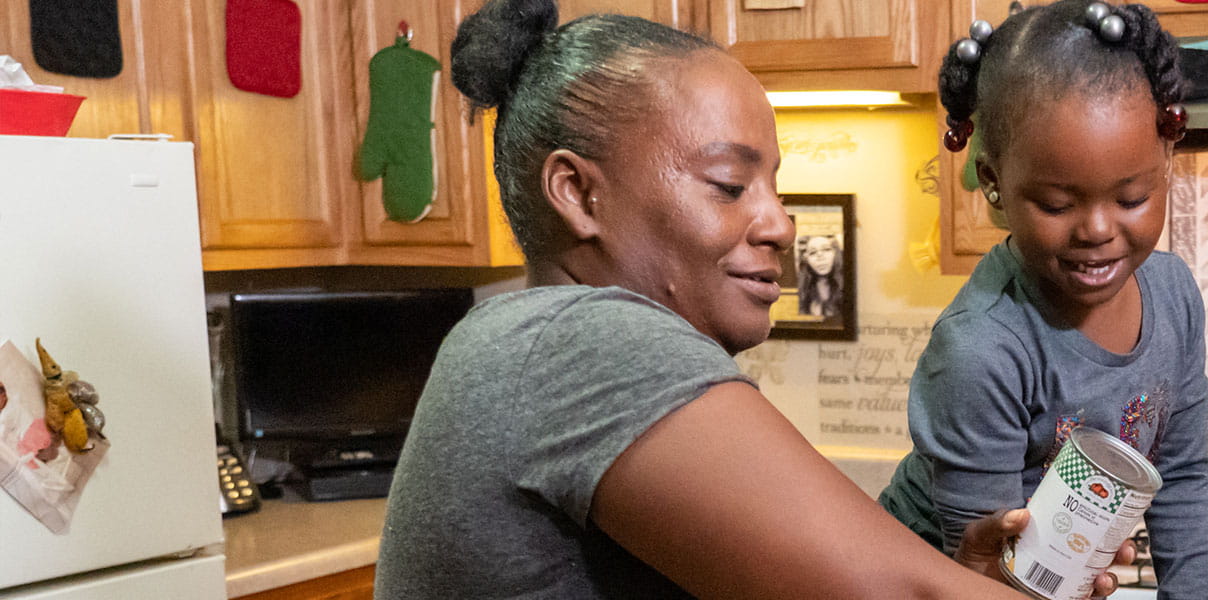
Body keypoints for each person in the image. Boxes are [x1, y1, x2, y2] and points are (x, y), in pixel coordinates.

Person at [372, 1, 1132, 598]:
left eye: (774, 186)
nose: (778, 223)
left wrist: (962, 579)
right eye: (729, 186)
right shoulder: (583, 342)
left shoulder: (514, 343)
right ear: (577, 193)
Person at [877, 2, 1208, 598]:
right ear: (992, 182)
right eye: (1058, 205)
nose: (1096, 229)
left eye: (1132, 197)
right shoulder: (981, 350)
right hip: (923, 579)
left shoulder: (1174, 296)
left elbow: (1185, 476)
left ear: (1166, 162)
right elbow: (983, 568)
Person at [796, 234, 843, 318]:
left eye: (826, 249)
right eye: (813, 252)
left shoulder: (848, 285)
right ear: (806, 259)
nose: (820, 256)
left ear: (836, 253)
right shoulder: (802, 290)